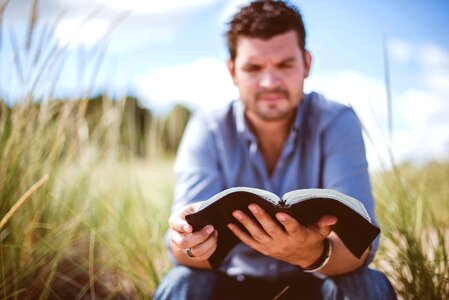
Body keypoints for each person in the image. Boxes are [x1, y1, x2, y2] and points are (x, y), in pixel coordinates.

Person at [154, 1, 396, 299]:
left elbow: (361, 249)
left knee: (366, 284)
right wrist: (188, 242)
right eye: (254, 68)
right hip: (232, 283)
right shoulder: (207, 128)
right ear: (233, 71)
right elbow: (183, 254)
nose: (269, 82)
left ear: (306, 64)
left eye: (284, 65)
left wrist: (311, 254)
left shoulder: (337, 122)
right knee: (182, 282)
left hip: (317, 282)